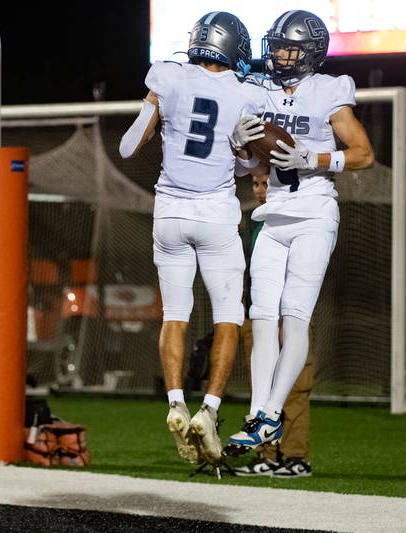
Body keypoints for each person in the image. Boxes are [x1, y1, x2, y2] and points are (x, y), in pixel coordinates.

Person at [118, 11, 266, 466]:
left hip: (169, 213)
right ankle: (211, 409)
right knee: (227, 317)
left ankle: (176, 401)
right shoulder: (247, 93)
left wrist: (157, 109)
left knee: (175, 315)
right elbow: (243, 167)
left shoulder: (169, 76)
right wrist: (238, 148)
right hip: (216, 214)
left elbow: (127, 147)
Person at [227, 10, 374, 452]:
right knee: (262, 317)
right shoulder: (258, 90)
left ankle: (272, 412)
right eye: (275, 46)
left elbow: (365, 154)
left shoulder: (329, 90)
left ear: (311, 53)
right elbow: (248, 165)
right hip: (273, 213)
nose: (278, 54)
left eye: (288, 47)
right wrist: (238, 143)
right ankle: (258, 415)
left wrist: (316, 160)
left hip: (314, 213)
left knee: (294, 316)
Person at [233, 173, 314, 478]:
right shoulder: (254, 223)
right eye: (256, 184)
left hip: (289, 319)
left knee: (293, 386)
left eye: (267, 183)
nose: (261, 190)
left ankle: (296, 457)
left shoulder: (299, 220)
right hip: (260, 318)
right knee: (262, 386)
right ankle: (266, 455)